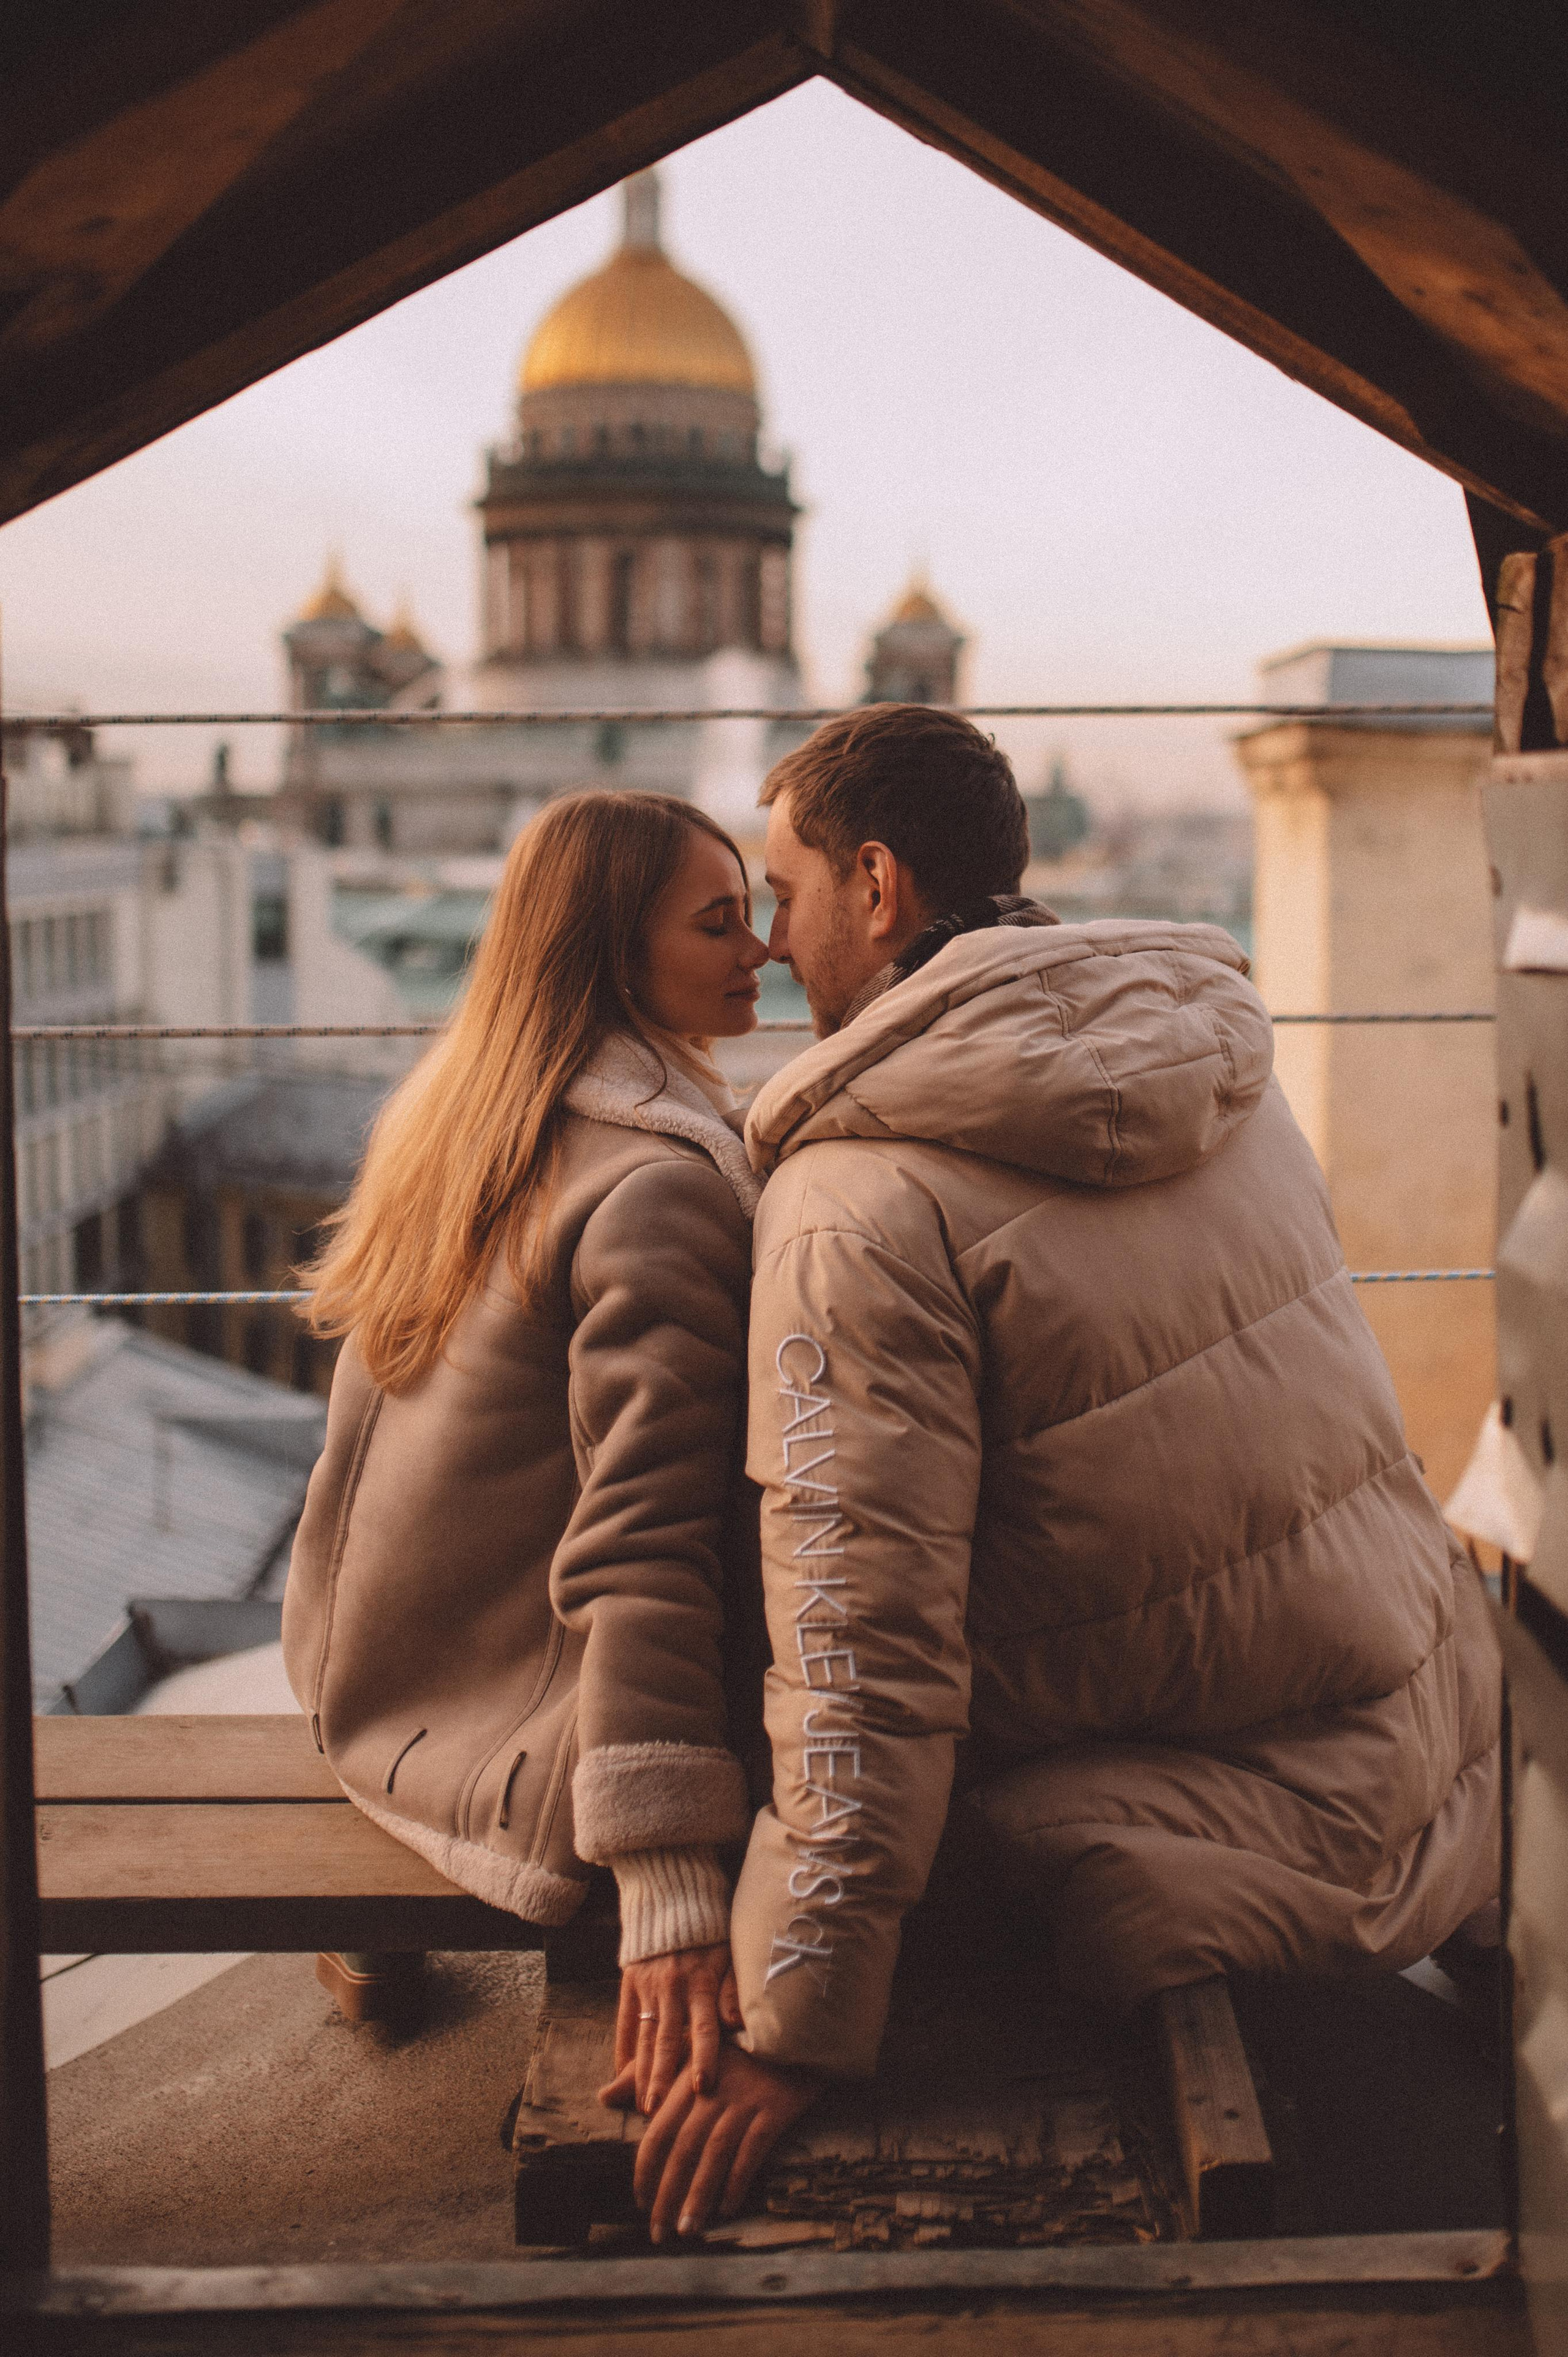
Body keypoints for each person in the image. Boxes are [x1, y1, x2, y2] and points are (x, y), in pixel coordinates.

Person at [628, 702, 1501, 2242]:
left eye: (782, 892)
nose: (770, 945)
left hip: (1196, 1820)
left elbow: (857, 1645)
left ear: (877, 887)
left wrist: (794, 2020)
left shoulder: (856, 1200)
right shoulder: (1208, 1060)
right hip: (1419, 1727)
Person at [283, 789, 770, 2111]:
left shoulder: (462, 1115)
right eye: (719, 921)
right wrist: (667, 1883)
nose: (762, 950)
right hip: (515, 1741)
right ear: (612, 953)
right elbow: (649, 1534)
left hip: (375, 1680)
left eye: (759, 913)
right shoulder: (656, 1182)